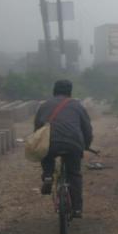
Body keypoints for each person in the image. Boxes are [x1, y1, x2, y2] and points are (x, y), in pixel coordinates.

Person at [35, 79, 93, 218]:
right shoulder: (77, 106)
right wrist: (86, 145)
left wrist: (39, 143)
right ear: (70, 92)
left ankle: (48, 175)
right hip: (73, 143)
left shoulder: (44, 106)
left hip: (51, 141)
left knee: (46, 153)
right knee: (74, 174)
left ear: (54, 91)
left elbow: (37, 130)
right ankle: (77, 209)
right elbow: (87, 129)